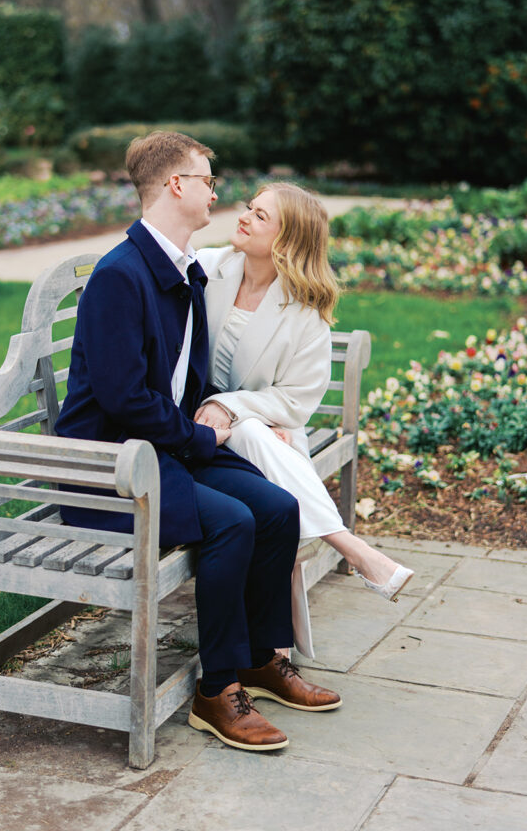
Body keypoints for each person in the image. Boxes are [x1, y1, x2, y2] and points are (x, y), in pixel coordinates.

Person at [55, 132, 341, 753]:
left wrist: (216, 426)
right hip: (109, 470)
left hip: (160, 452)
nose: (217, 192)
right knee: (233, 521)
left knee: (277, 508)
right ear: (176, 186)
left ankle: (262, 658)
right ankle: (217, 691)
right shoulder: (120, 275)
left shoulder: (186, 268)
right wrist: (197, 435)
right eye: (208, 179)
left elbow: (184, 378)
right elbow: (123, 397)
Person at [195, 182, 414, 659]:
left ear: (287, 239)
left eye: (261, 216)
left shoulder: (304, 310)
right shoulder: (208, 269)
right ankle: (351, 548)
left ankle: (275, 645)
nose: (245, 217)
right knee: (259, 442)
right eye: (249, 208)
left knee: (255, 434)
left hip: (259, 429)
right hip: (195, 425)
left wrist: (236, 407)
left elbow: (295, 402)